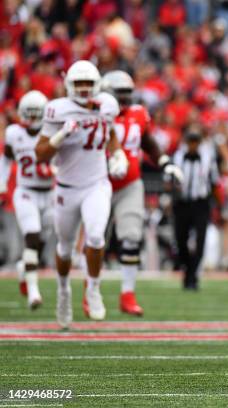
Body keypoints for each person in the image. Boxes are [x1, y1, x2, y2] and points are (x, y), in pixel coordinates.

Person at [35, 60, 127, 329]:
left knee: (96, 236)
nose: (85, 89)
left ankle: (93, 288)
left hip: (97, 183)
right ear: (69, 85)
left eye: (89, 83)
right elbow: (40, 154)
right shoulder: (57, 110)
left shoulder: (107, 105)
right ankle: (64, 292)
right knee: (64, 247)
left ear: (97, 83)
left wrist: (117, 154)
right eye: (79, 84)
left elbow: (109, 133)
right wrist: (61, 135)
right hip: (66, 187)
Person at [86, 70, 183, 316]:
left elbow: (147, 141)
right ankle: (91, 291)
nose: (125, 100)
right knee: (96, 239)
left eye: (128, 94)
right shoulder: (94, 113)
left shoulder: (139, 114)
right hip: (98, 183)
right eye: (120, 95)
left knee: (131, 237)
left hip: (130, 183)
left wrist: (164, 162)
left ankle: (127, 295)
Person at [0, 91, 52, 310]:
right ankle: (33, 292)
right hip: (26, 192)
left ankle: (24, 267)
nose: (31, 118)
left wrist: (54, 169)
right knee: (32, 234)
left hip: (50, 193)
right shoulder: (14, 133)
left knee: (44, 238)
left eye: (35, 113)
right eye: (28, 113)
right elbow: (6, 159)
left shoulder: (52, 132)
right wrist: (1, 183)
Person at [172, 127, 220, 290]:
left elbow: (214, 182)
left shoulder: (208, 157)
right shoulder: (177, 157)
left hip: (201, 203)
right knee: (180, 240)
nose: (192, 145)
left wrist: (218, 206)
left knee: (200, 240)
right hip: (182, 203)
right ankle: (188, 271)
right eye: (190, 142)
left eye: (195, 142)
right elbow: (168, 179)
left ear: (199, 143)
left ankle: (192, 277)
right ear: (186, 142)